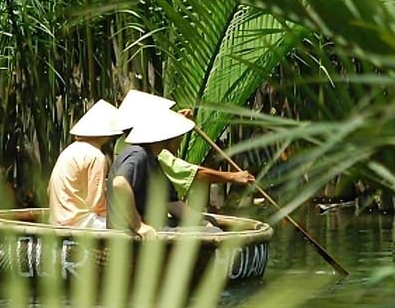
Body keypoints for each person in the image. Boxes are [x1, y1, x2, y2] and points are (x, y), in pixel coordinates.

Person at [113, 89, 255, 201]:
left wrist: (177, 122)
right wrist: (233, 177)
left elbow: (169, 147)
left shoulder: (124, 144)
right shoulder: (145, 151)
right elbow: (193, 174)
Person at [106, 108, 196, 238]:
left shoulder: (153, 162)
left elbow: (172, 204)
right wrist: (138, 225)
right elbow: (119, 184)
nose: (180, 140)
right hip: (130, 234)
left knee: (212, 229)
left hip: (157, 226)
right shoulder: (138, 154)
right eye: (179, 136)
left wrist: (203, 222)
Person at [48, 100, 120, 229]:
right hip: (79, 221)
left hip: (58, 218)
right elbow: (96, 203)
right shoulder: (96, 156)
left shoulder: (70, 150)